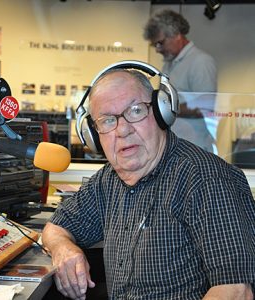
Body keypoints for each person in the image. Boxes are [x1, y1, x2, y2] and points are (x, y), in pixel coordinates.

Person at [42, 66, 255, 299]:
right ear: (93, 135)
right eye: (107, 120)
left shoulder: (207, 179)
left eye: (135, 111)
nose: (122, 130)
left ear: (162, 111)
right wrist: (64, 249)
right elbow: (56, 227)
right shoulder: (108, 180)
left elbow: (236, 291)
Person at [143, 9, 217, 93]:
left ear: (177, 35)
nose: (157, 49)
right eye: (155, 45)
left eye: (160, 43)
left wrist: (173, 105)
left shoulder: (201, 62)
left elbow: (205, 104)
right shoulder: (169, 63)